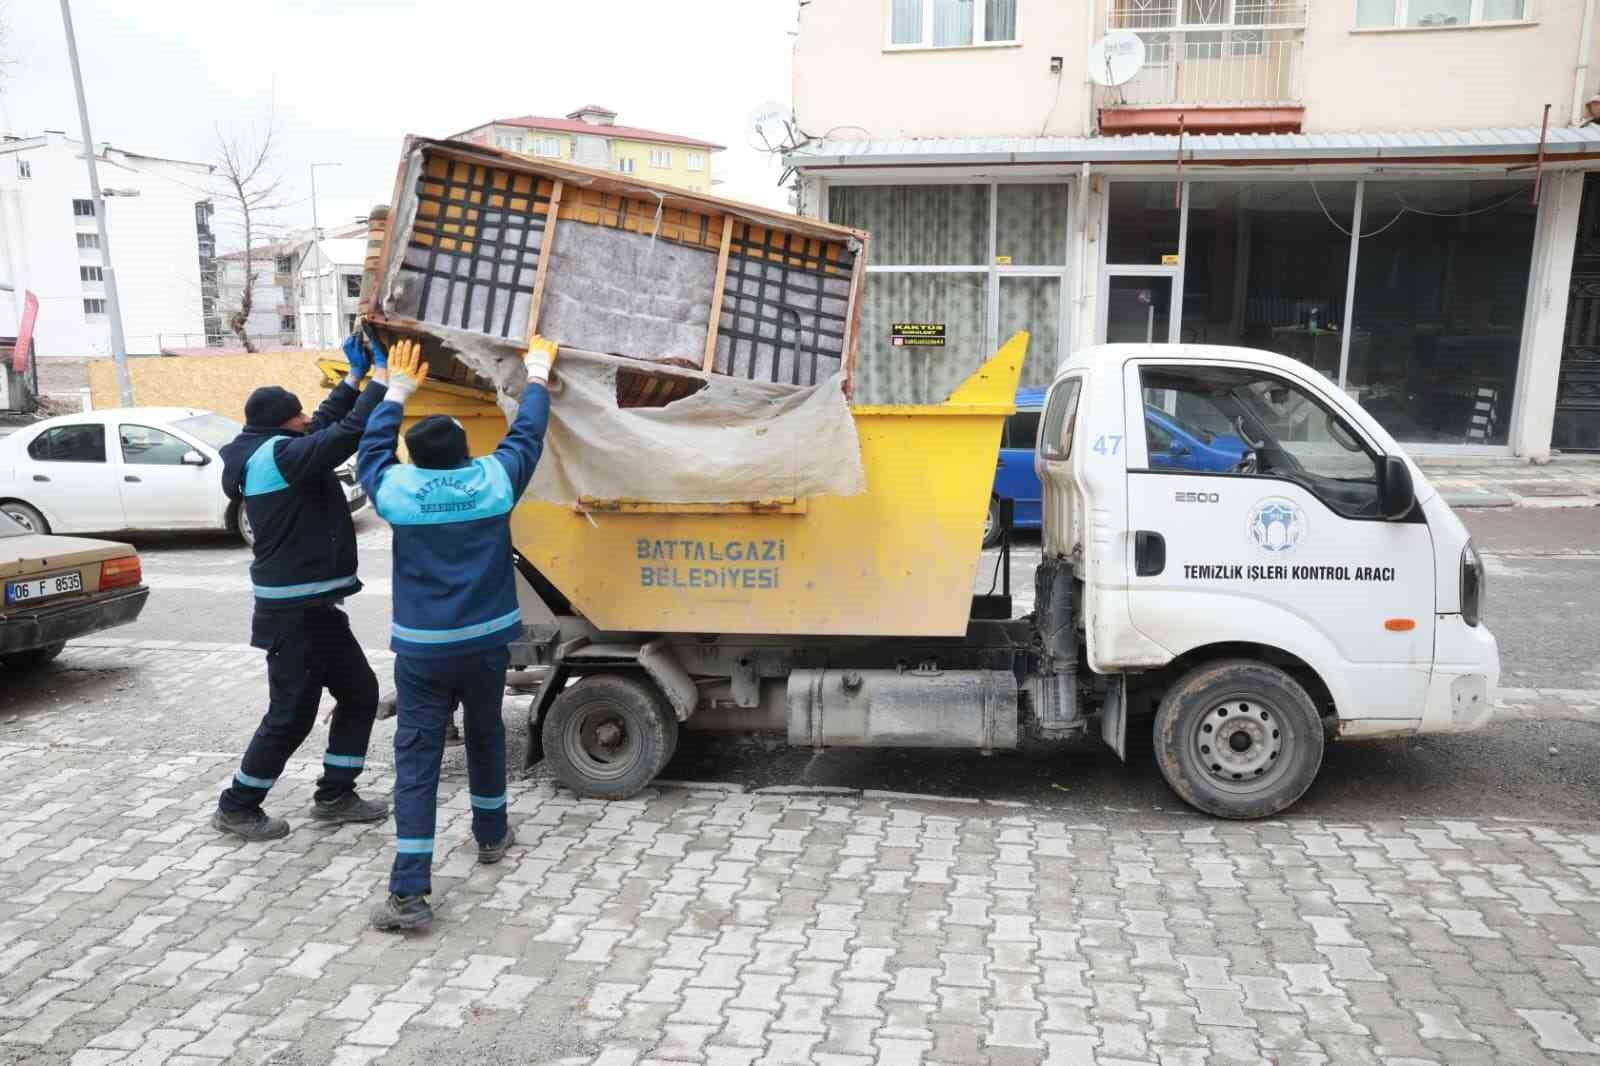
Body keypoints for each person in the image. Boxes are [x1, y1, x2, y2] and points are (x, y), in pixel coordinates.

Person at [358, 334, 555, 931]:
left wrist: (396, 391)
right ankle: (491, 834)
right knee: (486, 732)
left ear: (414, 459)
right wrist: (537, 373)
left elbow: (370, 451)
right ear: (467, 450)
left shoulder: (397, 491)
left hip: (423, 651)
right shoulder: (492, 482)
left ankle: (410, 894)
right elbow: (528, 434)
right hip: (487, 643)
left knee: (418, 759)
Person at [212, 333, 392, 841]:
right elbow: (344, 433)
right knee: (291, 715)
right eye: (299, 416)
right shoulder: (279, 458)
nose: (307, 419)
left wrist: (353, 379)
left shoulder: (266, 448)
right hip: (293, 613)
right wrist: (382, 379)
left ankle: (335, 794)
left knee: (359, 692)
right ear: (284, 424)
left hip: (314, 607)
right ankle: (237, 805)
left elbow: (324, 423)